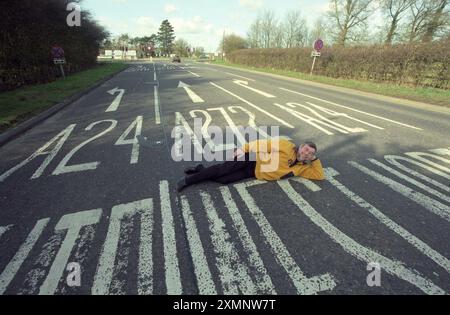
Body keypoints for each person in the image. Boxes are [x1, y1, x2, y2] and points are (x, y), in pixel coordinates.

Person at [176, 139, 325, 192]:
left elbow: (319, 176)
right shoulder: (286, 146)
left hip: (254, 173)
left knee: (223, 180)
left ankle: (200, 169)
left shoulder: (303, 168)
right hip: (252, 159)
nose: (306, 153)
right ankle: (187, 181)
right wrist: (243, 149)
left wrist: (315, 159)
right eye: (306, 149)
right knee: (221, 170)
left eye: (310, 153)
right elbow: (262, 144)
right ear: (301, 146)